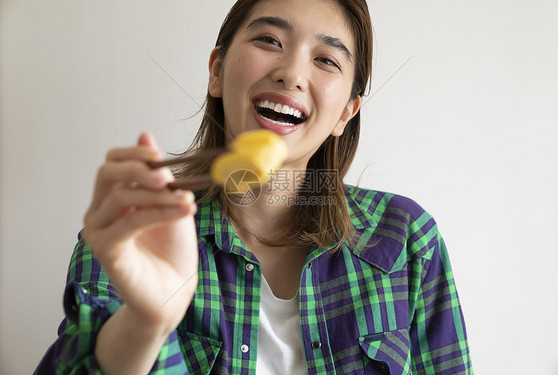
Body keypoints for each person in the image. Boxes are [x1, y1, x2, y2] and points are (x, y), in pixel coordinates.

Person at [36, 0, 472, 374]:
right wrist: (144, 323)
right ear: (217, 71)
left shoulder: (407, 238)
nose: (291, 73)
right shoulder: (134, 232)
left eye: (326, 60)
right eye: (269, 41)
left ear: (346, 113)